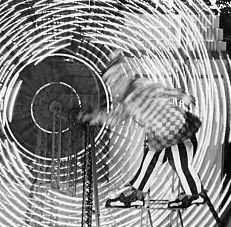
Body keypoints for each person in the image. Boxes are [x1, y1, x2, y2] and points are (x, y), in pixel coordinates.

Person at [80, 55, 204, 209]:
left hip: (175, 130)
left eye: (116, 80)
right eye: (111, 83)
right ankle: (137, 194)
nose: (114, 85)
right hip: (160, 137)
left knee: (180, 163)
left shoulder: (140, 85)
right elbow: (115, 118)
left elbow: (162, 90)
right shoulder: (126, 102)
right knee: (150, 162)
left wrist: (181, 96)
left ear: (124, 77)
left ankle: (194, 193)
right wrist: (94, 118)